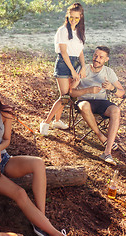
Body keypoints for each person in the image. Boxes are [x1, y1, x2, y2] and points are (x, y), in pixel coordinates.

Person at [0, 78, 75, 236]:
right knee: (19, 193)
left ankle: (40, 219)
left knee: (38, 163)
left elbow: (6, 139)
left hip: (4, 159)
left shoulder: (5, 113)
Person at [70, 46, 125, 165]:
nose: (97, 59)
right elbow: (71, 92)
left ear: (106, 59)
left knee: (116, 110)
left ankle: (107, 152)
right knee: (84, 106)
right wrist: (88, 90)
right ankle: (101, 136)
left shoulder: (108, 72)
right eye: (95, 56)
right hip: (84, 101)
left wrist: (112, 88)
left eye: (101, 57)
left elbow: (121, 93)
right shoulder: (83, 69)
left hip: (101, 102)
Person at [40, 2, 86, 136]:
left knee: (67, 95)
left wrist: (82, 67)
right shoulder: (63, 30)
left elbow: (80, 52)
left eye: (76, 18)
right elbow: (64, 52)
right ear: (67, 16)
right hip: (64, 64)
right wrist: (72, 70)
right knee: (65, 97)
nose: (73, 20)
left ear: (81, 17)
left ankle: (57, 121)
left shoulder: (79, 31)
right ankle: (46, 122)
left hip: (75, 64)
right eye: (71, 17)